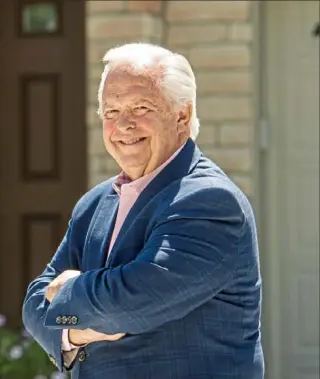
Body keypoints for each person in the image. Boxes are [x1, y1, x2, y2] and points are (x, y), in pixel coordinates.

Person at [22, 43, 264, 379]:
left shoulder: (209, 200)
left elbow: (135, 302)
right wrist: (76, 331)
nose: (123, 125)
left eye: (140, 107)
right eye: (111, 112)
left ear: (182, 115)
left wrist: (71, 294)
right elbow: (34, 303)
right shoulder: (93, 205)